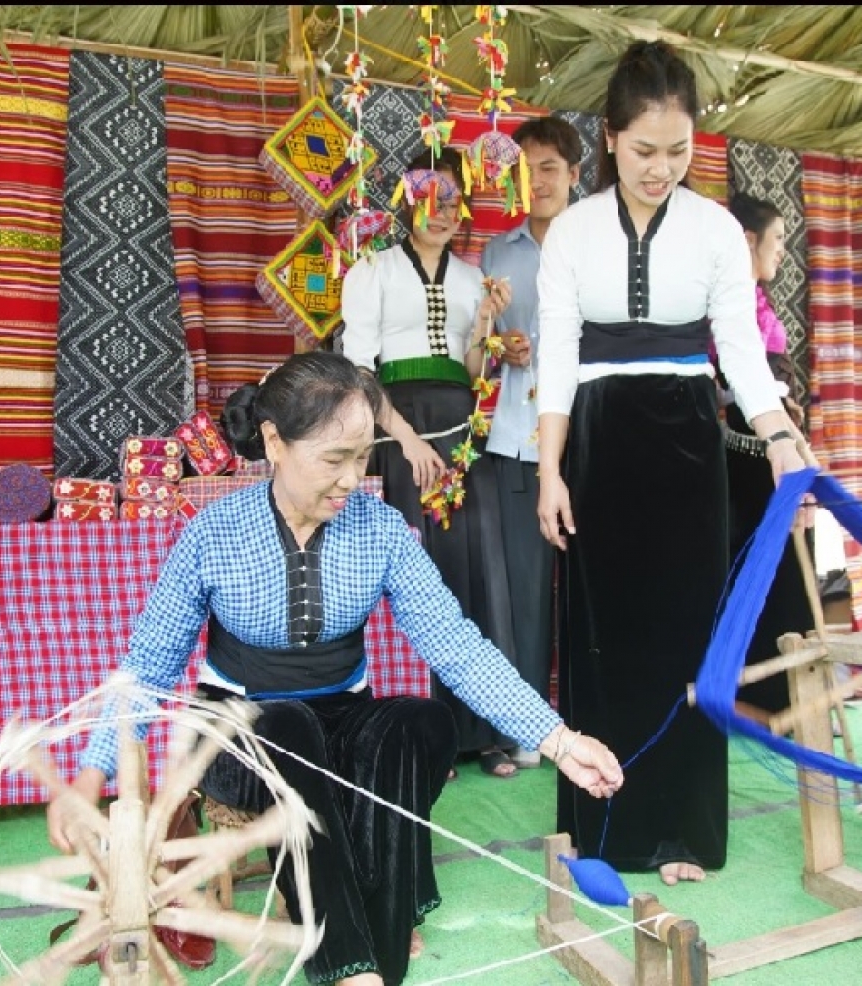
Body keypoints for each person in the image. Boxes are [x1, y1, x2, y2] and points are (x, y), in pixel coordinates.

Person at [47, 350, 624, 986]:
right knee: (288, 732)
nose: (353, 480)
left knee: (420, 723)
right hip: (240, 728)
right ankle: (351, 969)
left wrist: (559, 740)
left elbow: (456, 646)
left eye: (363, 457)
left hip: (340, 712)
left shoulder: (380, 529)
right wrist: (91, 775)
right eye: (333, 459)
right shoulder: (213, 534)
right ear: (273, 442)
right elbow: (148, 667)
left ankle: (373, 951)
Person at [534, 40, 810, 887]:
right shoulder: (574, 232)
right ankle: (606, 827)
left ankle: (685, 832)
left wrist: (780, 436)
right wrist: (550, 472)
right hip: (601, 443)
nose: (662, 168)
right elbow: (558, 360)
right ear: (610, 138)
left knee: (690, 634)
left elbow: (741, 352)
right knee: (604, 641)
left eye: (680, 151)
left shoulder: (717, 229)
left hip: (689, 442)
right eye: (646, 150)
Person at [340, 146, 521, 780]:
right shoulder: (373, 270)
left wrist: (487, 329)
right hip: (399, 431)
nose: (444, 211)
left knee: (478, 568)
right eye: (432, 197)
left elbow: (475, 373)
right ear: (408, 199)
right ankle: (424, 737)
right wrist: (408, 440)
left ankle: (487, 732)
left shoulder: (474, 281)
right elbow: (361, 372)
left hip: (465, 435)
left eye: (454, 200)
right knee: (421, 580)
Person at [478, 116, 584, 768]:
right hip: (516, 439)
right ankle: (526, 728)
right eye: (527, 167)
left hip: (586, 438)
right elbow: (481, 353)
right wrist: (502, 346)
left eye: (550, 167)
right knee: (520, 594)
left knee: (589, 593)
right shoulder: (498, 253)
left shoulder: (596, 247)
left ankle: (591, 717)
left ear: (575, 175)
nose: (538, 180)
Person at [719, 190, 816, 717]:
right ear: (748, 240)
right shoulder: (728, 309)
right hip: (751, 457)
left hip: (774, 452)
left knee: (788, 567)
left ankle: (790, 692)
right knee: (760, 565)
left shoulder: (758, 304)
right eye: (777, 240)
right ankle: (763, 692)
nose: (782, 251)